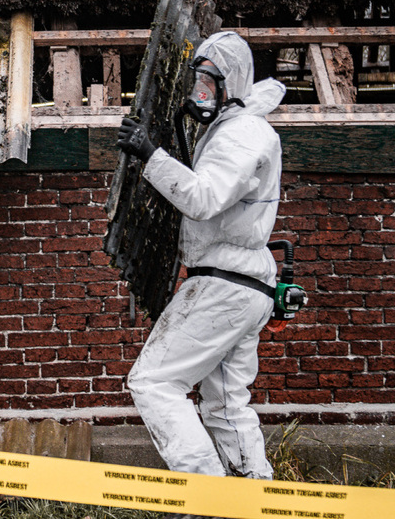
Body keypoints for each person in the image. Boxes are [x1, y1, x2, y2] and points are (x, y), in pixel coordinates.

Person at [117, 31, 286, 517]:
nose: (199, 91)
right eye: (197, 79)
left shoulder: (243, 132)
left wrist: (151, 154)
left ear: (230, 80)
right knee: (227, 406)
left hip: (224, 281)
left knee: (153, 382)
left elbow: (205, 198)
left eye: (207, 80)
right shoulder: (235, 127)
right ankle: (258, 500)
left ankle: (208, 499)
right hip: (243, 282)